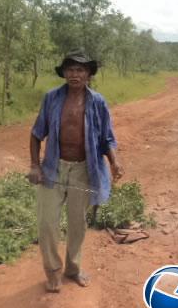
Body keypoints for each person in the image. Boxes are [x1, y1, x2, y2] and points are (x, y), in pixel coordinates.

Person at [28, 49, 123, 292]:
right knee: (47, 222)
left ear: (89, 74)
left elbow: (107, 139)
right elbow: (37, 133)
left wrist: (114, 162)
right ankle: (52, 272)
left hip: (84, 169)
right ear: (64, 73)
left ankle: (73, 268)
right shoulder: (51, 98)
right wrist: (35, 166)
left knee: (77, 223)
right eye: (70, 69)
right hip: (53, 168)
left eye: (80, 69)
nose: (74, 74)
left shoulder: (98, 102)